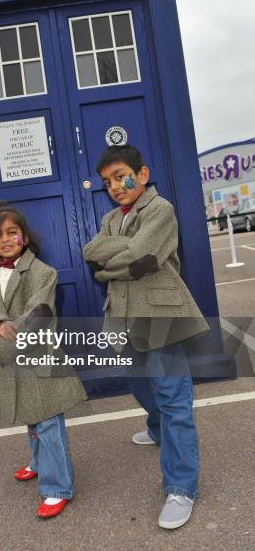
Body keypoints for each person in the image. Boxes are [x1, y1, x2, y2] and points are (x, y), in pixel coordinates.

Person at [83, 145, 209, 530]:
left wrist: (108, 267)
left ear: (141, 174)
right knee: (139, 386)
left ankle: (181, 486)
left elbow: (143, 255)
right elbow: (91, 254)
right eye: (106, 182)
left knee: (174, 400)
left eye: (120, 176)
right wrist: (112, 263)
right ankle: (156, 429)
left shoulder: (160, 210)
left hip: (161, 317)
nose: (114, 187)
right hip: (123, 319)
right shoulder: (109, 219)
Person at [0, 201, 87, 519]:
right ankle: (37, 463)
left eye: (12, 233)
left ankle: (58, 487)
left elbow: (37, 317)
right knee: (29, 417)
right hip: (15, 365)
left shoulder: (42, 273)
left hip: (39, 360)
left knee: (47, 421)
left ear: (25, 237)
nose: (4, 239)